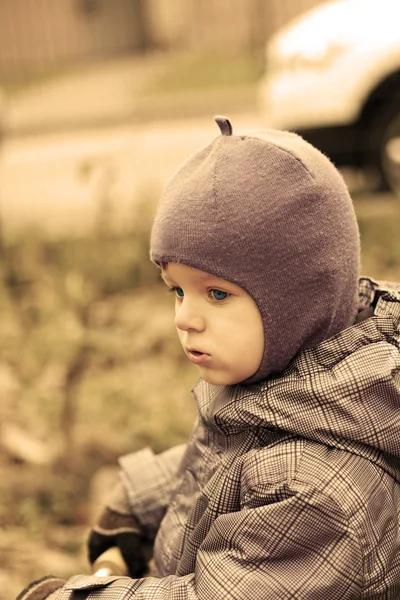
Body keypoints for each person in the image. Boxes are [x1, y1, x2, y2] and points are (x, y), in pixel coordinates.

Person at [17, 116, 400, 599]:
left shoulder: (317, 492)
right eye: (177, 290)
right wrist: (141, 501)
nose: (185, 318)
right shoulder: (284, 381)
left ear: (298, 301)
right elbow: (218, 459)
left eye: (216, 294)